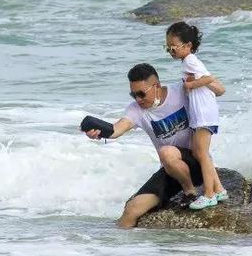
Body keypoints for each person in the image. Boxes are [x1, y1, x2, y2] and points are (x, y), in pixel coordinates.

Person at [84, 63, 224, 228]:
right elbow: (117, 129)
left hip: (197, 162)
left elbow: (220, 90)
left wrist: (199, 82)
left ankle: (190, 192)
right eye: (133, 95)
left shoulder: (180, 91)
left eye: (141, 94)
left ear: (156, 86)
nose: (138, 99)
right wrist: (99, 133)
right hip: (172, 170)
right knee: (131, 210)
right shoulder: (136, 110)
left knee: (166, 152)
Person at [165, 21, 227, 209]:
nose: (170, 51)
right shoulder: (188, 61)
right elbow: (217, 88)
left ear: (188, 45)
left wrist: (190, 85)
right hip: (203, 112)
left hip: (203, 113)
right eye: (167, 47)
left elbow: (210, 79)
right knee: (202, 152)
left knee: (200, 153)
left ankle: (209, 194)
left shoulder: (190, 60)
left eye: (173, 47)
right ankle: (219, 189)